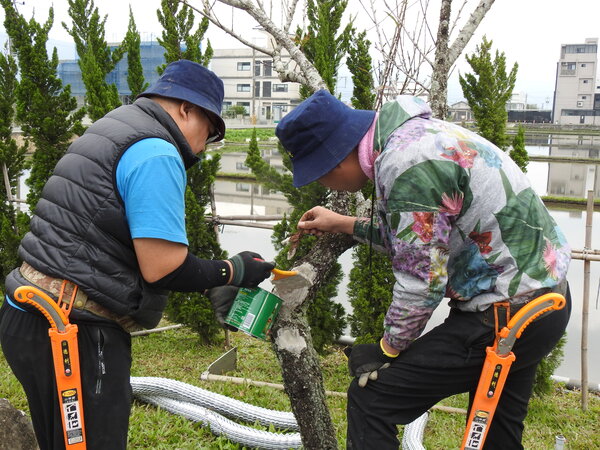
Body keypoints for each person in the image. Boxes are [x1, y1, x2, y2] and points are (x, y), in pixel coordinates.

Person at [0, 60, 274, 450]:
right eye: (210, 132)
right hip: (73, 331)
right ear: (186, 109)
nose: (202, 147)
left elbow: (108, 238)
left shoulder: (117, 127)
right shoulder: (157, 152)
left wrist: (208, 281)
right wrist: (232, 271)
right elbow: (162, 268)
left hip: (29, 313)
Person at [275, 89, 571, 449]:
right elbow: (419, 237)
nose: (321, 183)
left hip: (507, 317)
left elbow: (422, 279)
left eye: (318, 176)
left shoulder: (407, 164)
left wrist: (386, 349)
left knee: (371, 400)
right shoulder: (416, 137)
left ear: (334, 160)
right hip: (545, 300)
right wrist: (344, 223)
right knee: (496, 432)